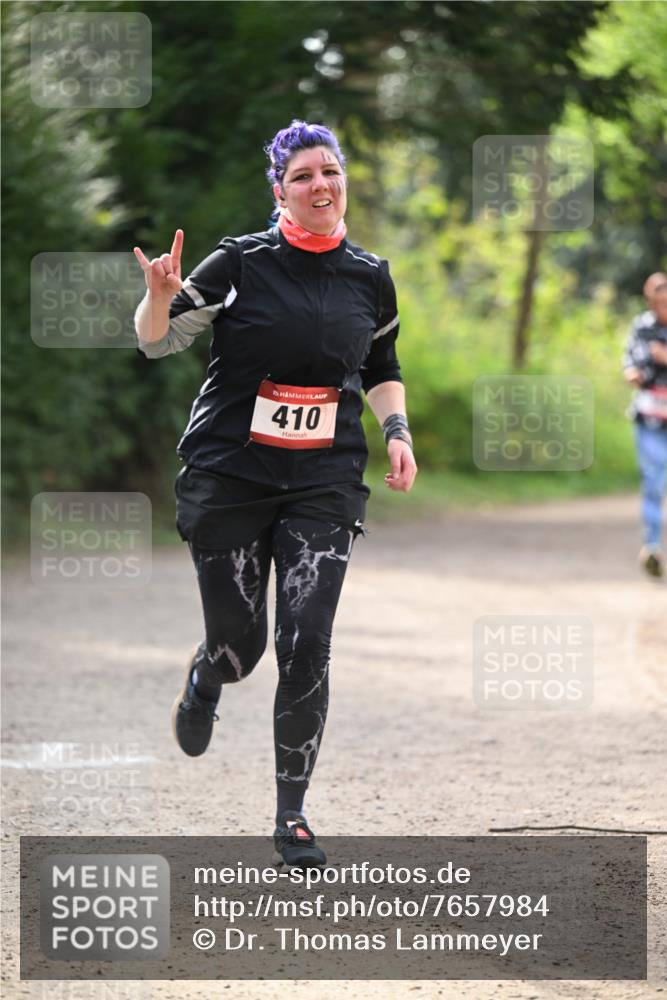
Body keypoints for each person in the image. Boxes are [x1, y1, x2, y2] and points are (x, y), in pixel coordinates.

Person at [133, 120, 417, 867]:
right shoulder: (241, 262)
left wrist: (397, 432)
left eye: (330, 171)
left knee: (307, 641)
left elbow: (381, 362)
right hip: (229, 475)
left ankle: (291, 815)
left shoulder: (369, 273)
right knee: (241, 650)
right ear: (279, 191)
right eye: (302, 176)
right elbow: (158, 340)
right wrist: (159, 299)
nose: (320, 185)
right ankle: (205, 677)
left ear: (343, 180)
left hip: (322, 478)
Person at [622, 272, 667, 578]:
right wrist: (633, 373)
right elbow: (631, 362)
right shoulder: (642, 326)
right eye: (658, 298)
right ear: (649, 299)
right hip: (650, 417)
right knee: (653, 481)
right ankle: (652, 546)